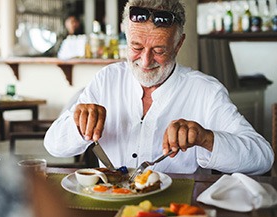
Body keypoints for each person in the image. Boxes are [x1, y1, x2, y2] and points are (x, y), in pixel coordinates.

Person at [44, 0, 274, 175]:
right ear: (126, 36)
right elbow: (53, 145)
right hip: (110, 201)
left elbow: (263, 157)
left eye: (159, 50)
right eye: (136, 46)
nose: (145, 61)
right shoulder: (107, 79)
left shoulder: (205, 91)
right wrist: (79, 124)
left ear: (179, 44)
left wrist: (205, 138)